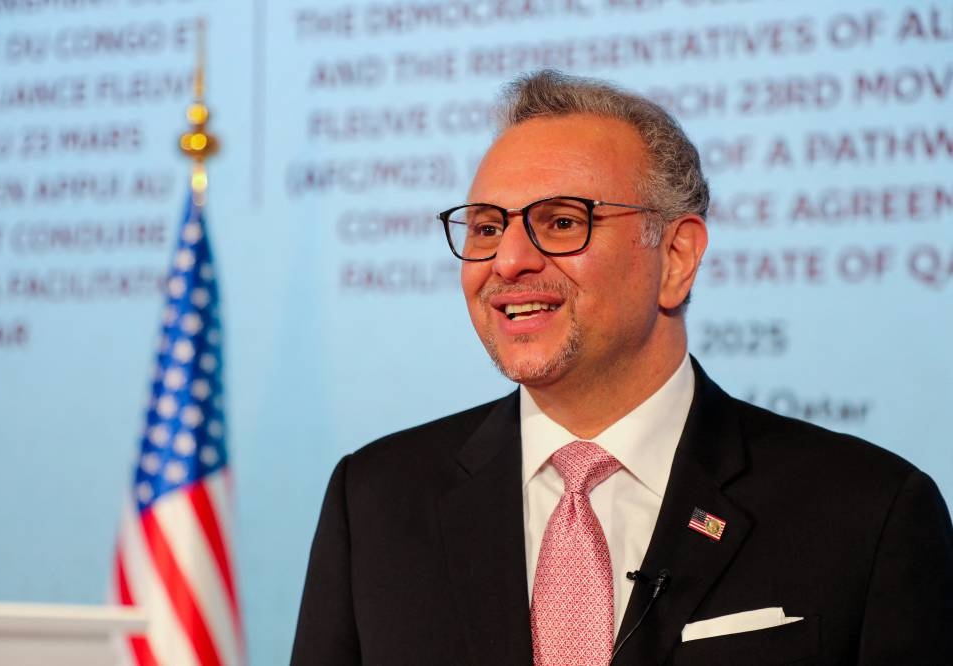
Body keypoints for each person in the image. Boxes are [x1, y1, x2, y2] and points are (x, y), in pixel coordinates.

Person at [291, 70, 953, 666]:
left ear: (676, 257)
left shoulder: (869, 512)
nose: (508, 260)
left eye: (560, 221)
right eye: (486, 228)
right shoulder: (375, 501)